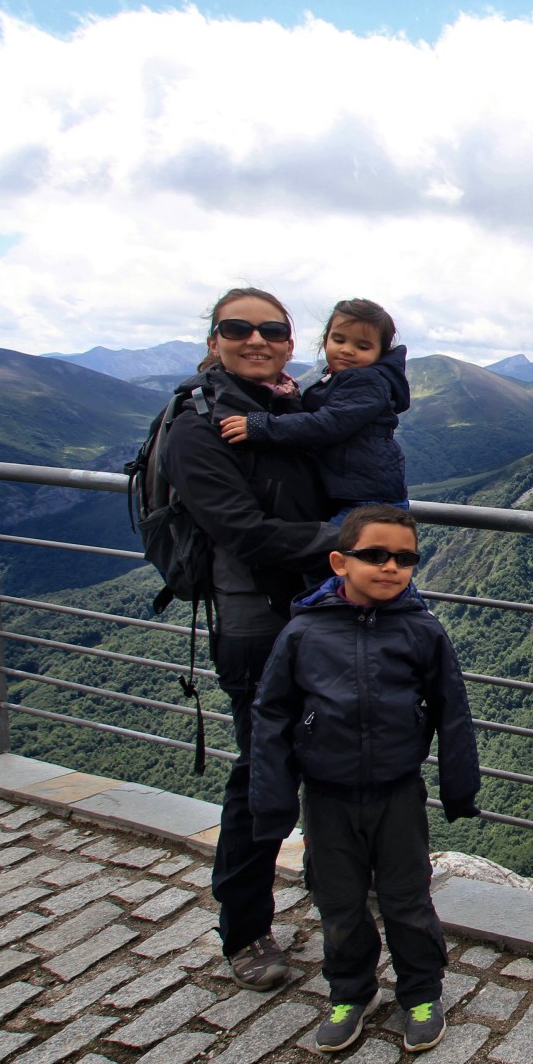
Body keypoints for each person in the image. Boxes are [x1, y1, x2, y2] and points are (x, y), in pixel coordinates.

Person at [247, 505, 481, 1054]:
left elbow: (453, 710)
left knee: (406, 898)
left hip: (398, 790)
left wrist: (459, 787)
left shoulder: (422, 631)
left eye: (404, 558)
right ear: (339, 562)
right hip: (324, 794)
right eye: (374, 555)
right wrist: (271, 801)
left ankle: (421, 992)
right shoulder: (302, 633)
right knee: (338, 899)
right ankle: (350, 992)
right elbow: (271, 715)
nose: (390, 566)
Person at [162, 288, 336, 990]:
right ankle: (245, 930)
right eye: (239, 328)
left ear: (290, 343)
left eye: (273, 329)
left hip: (320, 614)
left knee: (336, 756)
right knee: (264, 778)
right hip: (256, 627)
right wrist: (349, 543)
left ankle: (337, 888)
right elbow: (242, 531)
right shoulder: (196, 426)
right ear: (213, 339)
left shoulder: (287, 409)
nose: (257, 339)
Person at [220, 298, 411, 514]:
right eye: (339, 340)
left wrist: (263, 426)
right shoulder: (339, 378)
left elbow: (328, 423)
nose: (347, 350)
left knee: (343, 547)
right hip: (355, 491)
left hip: (366, 499)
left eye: (362, 346)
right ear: (326, 340)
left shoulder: (367, 382)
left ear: (380, 353)